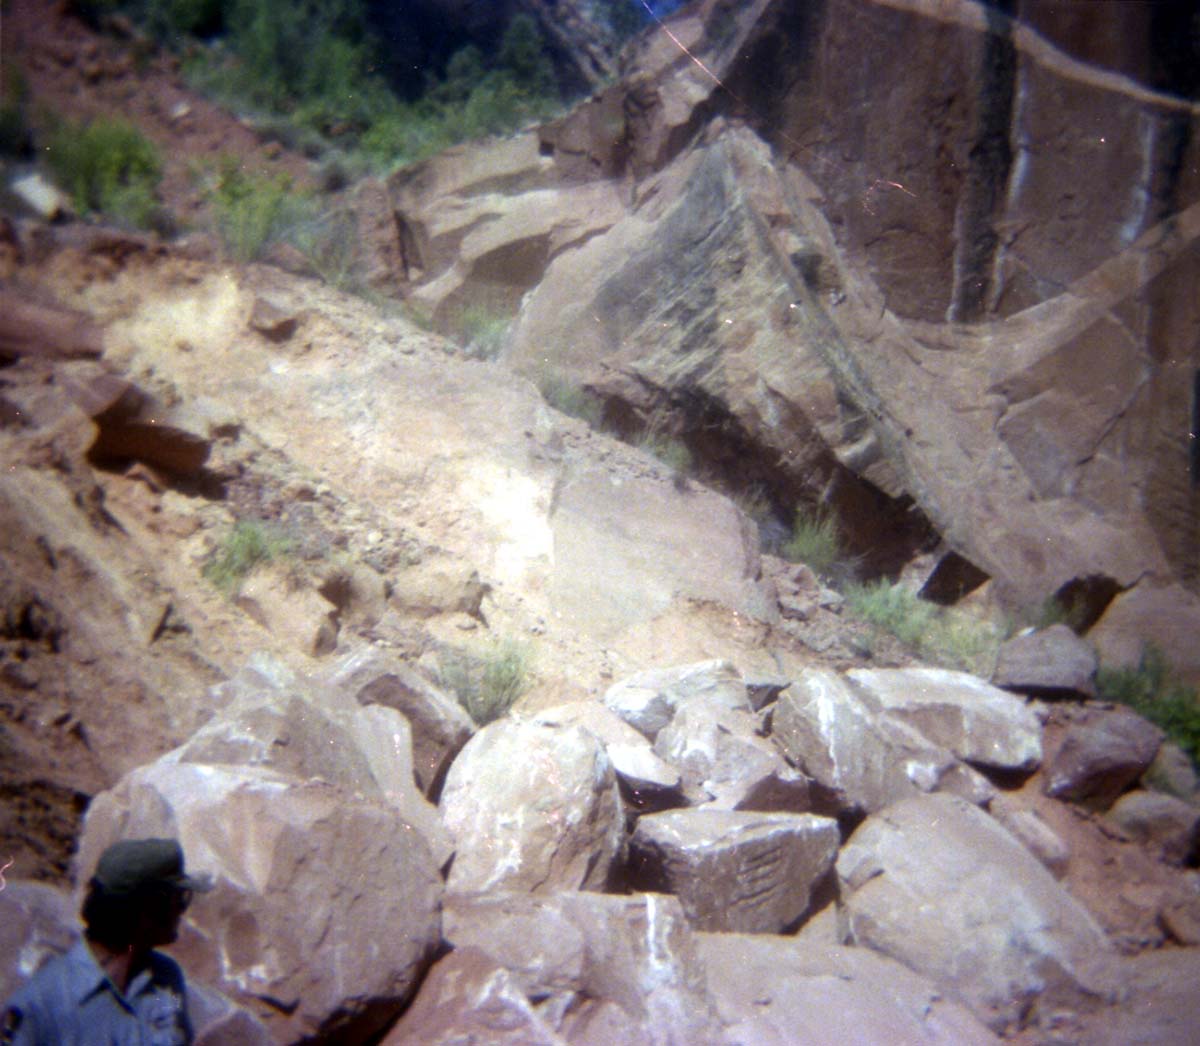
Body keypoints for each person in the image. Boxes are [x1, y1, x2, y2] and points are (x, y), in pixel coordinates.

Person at [1, 837, 210, 1046]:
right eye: (180, 898)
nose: (183, 910)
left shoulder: (166, 980)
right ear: (148, 909)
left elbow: (175, 1029)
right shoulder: (39, 1006)